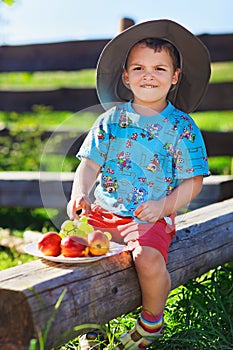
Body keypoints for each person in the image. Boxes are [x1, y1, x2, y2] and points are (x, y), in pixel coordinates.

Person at [67, 19, 211, 350]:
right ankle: (91, 325)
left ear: (175, 78)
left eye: (160, 68)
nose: (149, 75)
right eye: (139, 67)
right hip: (103, 212)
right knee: (80, 254)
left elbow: (194, 182)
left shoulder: (181, 127)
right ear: (126, 76)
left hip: (149, 217)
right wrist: (79, 194)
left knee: (147, 258)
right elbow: (89, 165)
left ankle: (151, 322)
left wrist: (164, 206)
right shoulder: (111, 121)